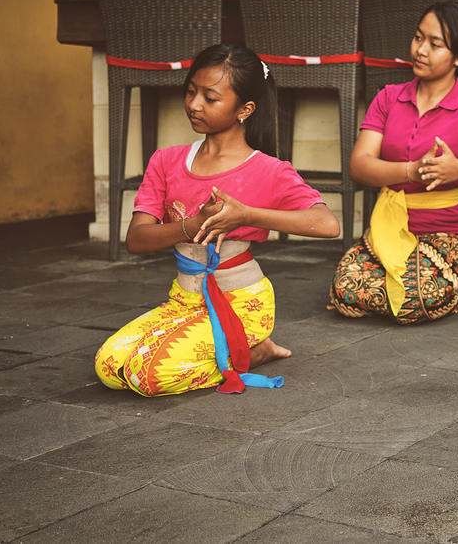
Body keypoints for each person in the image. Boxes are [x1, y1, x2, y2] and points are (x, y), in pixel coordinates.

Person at [94, 43, 341, 396]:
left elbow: (328, 224)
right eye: (191, 91)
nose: (194, 104)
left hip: (243, 303)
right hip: (184, 299)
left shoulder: (269, 170)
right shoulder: (166, 161)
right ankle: (242, 353)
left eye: (210, 98)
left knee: (147, 376)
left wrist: (246, 215)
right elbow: (136, 239)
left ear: (245, 109)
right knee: (110, 366)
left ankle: (251, 351)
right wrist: (193, 225)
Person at [329, 1, 458, 325]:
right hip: (389, 228)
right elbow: (359, 166)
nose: (420, 50)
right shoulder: (388, 97)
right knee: (344, 289)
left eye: (435, 44)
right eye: (418, 38)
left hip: (449, 235)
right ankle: (454, 285)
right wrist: (411, 171)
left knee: (413, 300)